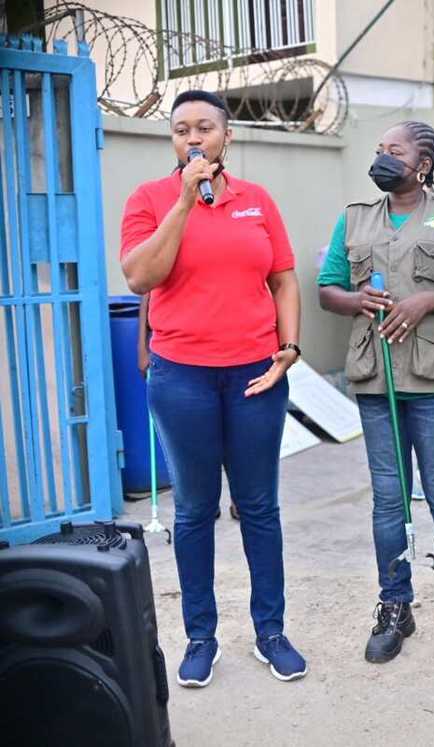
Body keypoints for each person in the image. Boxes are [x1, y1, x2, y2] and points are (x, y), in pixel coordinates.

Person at [120, 90, 306, 687]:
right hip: (183, 378)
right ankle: (201, 636)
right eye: (181, 130)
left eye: (205, 128)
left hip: (256, 373)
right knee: (196, 510)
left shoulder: (258, 201)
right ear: (172, 140)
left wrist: (290, 349)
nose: (192, 138)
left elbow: (284, 280)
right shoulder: (150, 200)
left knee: (258, 507)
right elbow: (141, 275)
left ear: (226, 136)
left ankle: (271, 632)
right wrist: (182, 203)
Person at [317, 121, 434, 663]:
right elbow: (328, 289)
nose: (382, 157)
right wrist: (355, 300)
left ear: (423, 164)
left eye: (394, 150)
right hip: (377, 379)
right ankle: (395, 605)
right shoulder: (354, 218)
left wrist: (426, 302)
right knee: (389, 501)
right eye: (378, 149)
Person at [138, 293, 240, 521]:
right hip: (184, 361)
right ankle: (204, 500)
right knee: (198, 438)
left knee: (236, 435)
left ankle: (239, 497)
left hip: (236, 355)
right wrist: (142, 348)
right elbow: (148, 293)